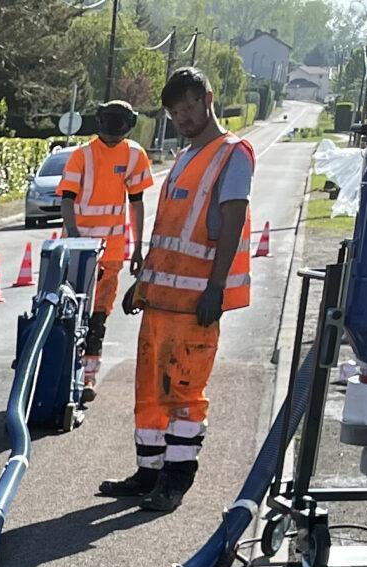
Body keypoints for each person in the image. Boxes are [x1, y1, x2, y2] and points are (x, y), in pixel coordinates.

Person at [100, 68, 255, 511]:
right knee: (149, 392)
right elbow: (169, 232)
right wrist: (142, 283)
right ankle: (148, 473)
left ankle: (177, 478)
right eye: (174, 111)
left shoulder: (231, 154)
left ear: (207, 98)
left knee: (183, 392)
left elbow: (232, 221)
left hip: (194, 307)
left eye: (189, 106)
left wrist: (217, 288)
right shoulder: (188, 154)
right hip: (160, 303)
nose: (183, 117)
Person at [55, 100, 152, 403]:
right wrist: (72, 237)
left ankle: (88, 377)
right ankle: (63, 372)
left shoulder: (134, 154)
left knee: (98, 317)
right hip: (78, 251)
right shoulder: (82, 156)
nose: (111, 136)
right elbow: (67, 200)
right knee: (67, 313)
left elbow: (136, 202)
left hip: (110, 254)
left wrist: (137, 247)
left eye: (117, 129)